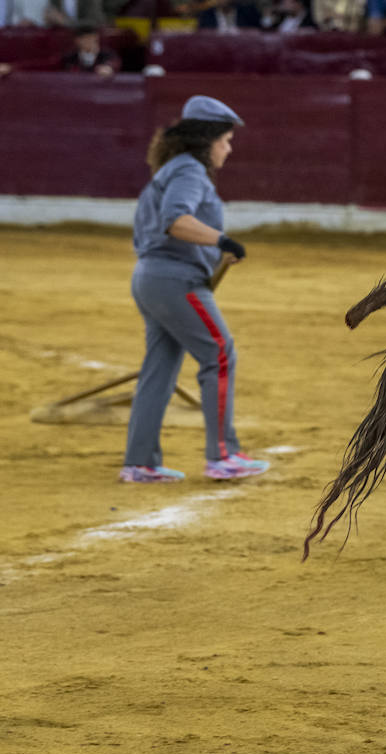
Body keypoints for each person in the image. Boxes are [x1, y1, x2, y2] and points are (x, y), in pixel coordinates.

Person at [121, 96, 270, 484]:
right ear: (207, 141)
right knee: (219, 353)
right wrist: (222, 241)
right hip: (176, 281)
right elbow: (176, 221)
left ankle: (140, 462)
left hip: (151, 278)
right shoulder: (189, 172)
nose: (229, 148)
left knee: (159, 368)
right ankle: (223, 455)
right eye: (225, 139)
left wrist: (214, 252)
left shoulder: (173, 168)